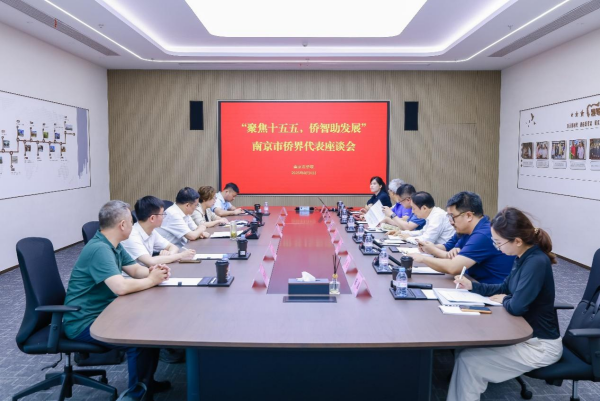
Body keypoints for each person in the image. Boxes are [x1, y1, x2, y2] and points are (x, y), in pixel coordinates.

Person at [448, 207, 562, 401]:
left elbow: (516, 306)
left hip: (540, 346)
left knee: (469, 362)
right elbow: (504, 287)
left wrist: (505, 299)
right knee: (466, 354)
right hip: (525, 336)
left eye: (498, 243)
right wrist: (472, 286)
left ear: (517, 241)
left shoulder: (536, 262)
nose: (497, 247)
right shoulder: (522, 257)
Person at [63, 201, 172, 400]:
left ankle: (147, 383)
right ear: (122, 225)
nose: (133, 225)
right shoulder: (99, 249)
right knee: (138, 340)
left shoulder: (113, 245)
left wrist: (153, 272)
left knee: (152, 328)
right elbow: (120, 287)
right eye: (131, 221)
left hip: (104, 312)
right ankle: (136, 395)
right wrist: (151, 280)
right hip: (83, 322)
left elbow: (135, 270)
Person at [413, 191, 514, 284]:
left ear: (469, 216)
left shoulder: (483, 234)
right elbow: (451, 255)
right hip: (470, 283)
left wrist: (423, 258)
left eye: (452, 217)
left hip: (490, 291)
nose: (450, 222)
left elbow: (453, 267)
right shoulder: (466, 230)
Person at [122, 196, 196, 266]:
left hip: (149, 272)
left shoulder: (151, 231)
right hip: (136, 275)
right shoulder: (132, 235)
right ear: (152, 218)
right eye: (162, 214)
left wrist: (168, 255)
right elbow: (150, 261)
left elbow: (173, 247)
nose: (164, 217)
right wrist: (181, 255)